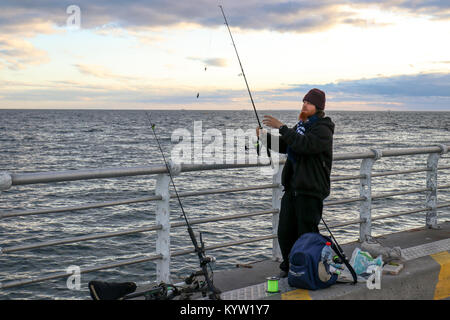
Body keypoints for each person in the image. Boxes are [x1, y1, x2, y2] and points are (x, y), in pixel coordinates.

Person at [257, 88, 335, 277]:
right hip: (292, 189)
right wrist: (264, 137)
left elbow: (305, 145)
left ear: (318, 107)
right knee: (285, 232)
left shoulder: (323, 129)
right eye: (303, 102)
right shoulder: (302, 125)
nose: (304, 105)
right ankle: (291, 267)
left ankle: (309, 270)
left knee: (306, 234)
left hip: (310, 190)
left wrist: (281, 127)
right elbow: (286, 144)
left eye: (308, 103)